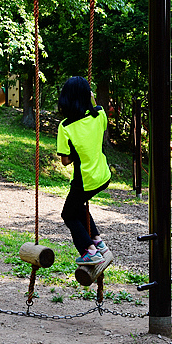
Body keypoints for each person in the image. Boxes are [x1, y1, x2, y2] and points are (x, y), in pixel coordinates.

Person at [57, 76, 112, 265]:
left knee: (68, 214)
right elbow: (96, 111)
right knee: (77, 207)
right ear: (88, 96)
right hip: (103, 176)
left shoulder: (65, 126)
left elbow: (65, 160)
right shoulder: (100, 115)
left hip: (85, 180)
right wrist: (93, 100)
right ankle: (98, 242)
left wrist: (76, 152)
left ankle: (90, 251)